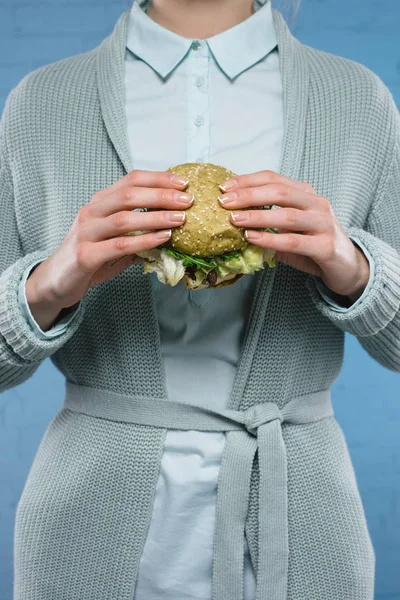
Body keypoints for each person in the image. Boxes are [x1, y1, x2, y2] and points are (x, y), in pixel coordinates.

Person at [0, 0, 399, 598]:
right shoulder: (42, 101)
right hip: (84, 522)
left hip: (304, 514)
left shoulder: (356, 97)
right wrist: (50, 283)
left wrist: (353, 267)